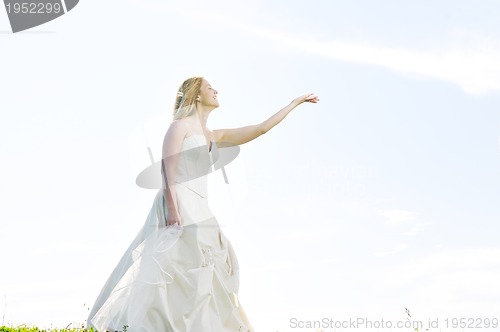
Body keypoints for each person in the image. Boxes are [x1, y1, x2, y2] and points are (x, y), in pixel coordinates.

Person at [86, 77, 319, 332]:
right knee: (169, 270)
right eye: (210, 87)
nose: (216, 90)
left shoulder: (212, 135)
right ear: (197, 95)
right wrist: (173, 212)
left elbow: (260, 129)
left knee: (204, 275)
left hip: (201, 208)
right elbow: (167, 171)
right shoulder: (179, 127)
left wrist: (293, 103)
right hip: (178, 203)